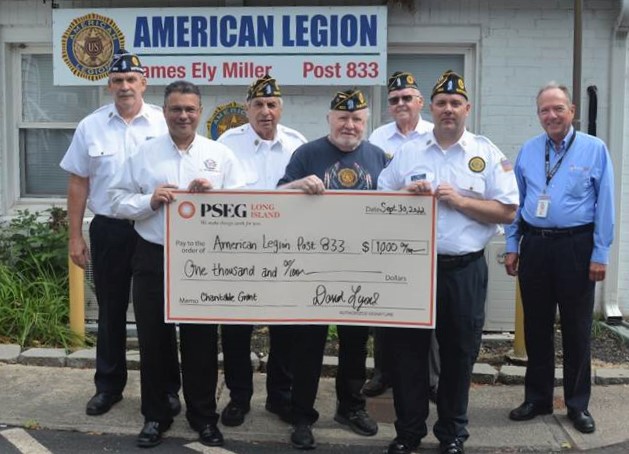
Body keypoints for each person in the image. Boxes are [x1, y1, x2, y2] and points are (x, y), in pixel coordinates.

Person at [378, 70, 519, 454]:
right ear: (432, 107)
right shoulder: (409, 150)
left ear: (467, 108)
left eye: (456, 103)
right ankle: (408, 433)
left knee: (459, 354)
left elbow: (507, 211)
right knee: (408, 354)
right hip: (413, 269)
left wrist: (460, 201)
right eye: (441, 103)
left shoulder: (485, 153)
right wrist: (408, 191)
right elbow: (381, 195)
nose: (448, 109)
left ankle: (452, 433)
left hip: (464, 269)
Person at [108, 80, 246, 448]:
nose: (182, 115)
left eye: (189, 109)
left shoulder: (220, 155)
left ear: (199, 112)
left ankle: (203, 417)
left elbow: (244, 204)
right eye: (175, 109)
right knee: (153, 341)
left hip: (203, 259)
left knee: (200, 342)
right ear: (164, 112)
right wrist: (149, 201)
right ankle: (156, 415)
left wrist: (215, 196)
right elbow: (116, 200)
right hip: (154, 255)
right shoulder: (144, 154)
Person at [59, 50, 181, 417]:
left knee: (160, 314)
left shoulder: (164, 123)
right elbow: (78, 182)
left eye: (132, 80)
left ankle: (166, 390)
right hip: (110, 229)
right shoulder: (91, 126)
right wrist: (75, 237)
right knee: (111, 310)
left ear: (144, 83)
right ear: (109, 85)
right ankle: (109, 387)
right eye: (118, 81)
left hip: (154, 229)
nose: (125, 86)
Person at [278, 88, 385, 450]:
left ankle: (350, 407)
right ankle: (302, 414)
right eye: (342, 117)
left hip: (360, 268)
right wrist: (296, 185)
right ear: (330, 119)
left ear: (365, 122)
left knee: (355, 344)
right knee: (307, 345)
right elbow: (277, 199)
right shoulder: (307, 153)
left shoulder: (379, 157)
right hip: (313, 267)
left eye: (357, 119)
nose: (349, 125)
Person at [505, 83, 614, 435]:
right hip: (535, 246)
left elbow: (605, 205)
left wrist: (600, 253)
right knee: (536, 326)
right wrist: (512, 244)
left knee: (576, 328)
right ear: (538, 114)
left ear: (572, 111)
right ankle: (537, 398)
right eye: (544, 110)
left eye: (558, 109)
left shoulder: (594, 150)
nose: (551, 116)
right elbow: (516, 202)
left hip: (576, 247)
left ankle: (577, 404)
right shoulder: (528, 150)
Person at [217, 75, 307, 427]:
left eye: (272, 105)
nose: (265, 111)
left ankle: (279, 395)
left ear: (280, 108)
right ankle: (239, 397)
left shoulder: (298, 145)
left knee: (285, 327)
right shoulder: (228, 144)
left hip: (284, 252)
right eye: (258, 105)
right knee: (237, 330)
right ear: (247, 109)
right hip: (240, 252)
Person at [365, 70, 436, 399]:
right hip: (388, 238)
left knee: (430, 312)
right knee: (385, 310)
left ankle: (432, 377)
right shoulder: (377, 138)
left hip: (430, 240)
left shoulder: (437, 134)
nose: (401, 103)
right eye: (394, 100)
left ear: (420, 102)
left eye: (407, 97)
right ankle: (383, 373)